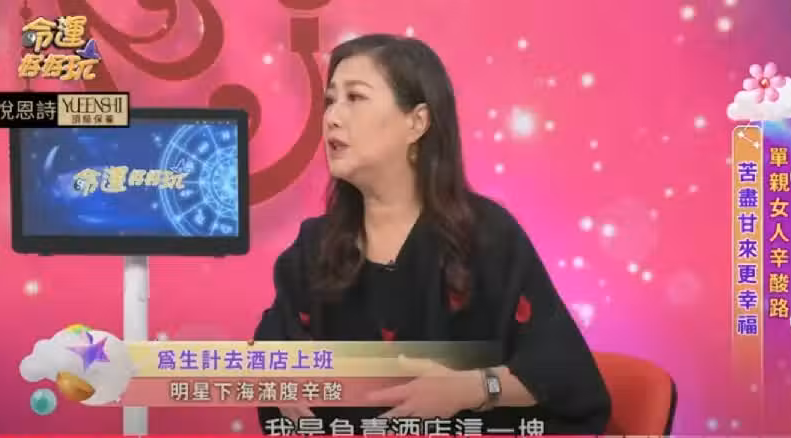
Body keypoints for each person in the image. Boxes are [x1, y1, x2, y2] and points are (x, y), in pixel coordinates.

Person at [254, 33, 611, 435]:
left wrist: (473, 388)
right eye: (330, 100)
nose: (332, 117)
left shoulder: (486, 236)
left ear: (417, 122)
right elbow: (273, 340)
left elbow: (564, 373)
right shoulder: (316, 245)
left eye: (355, 97)